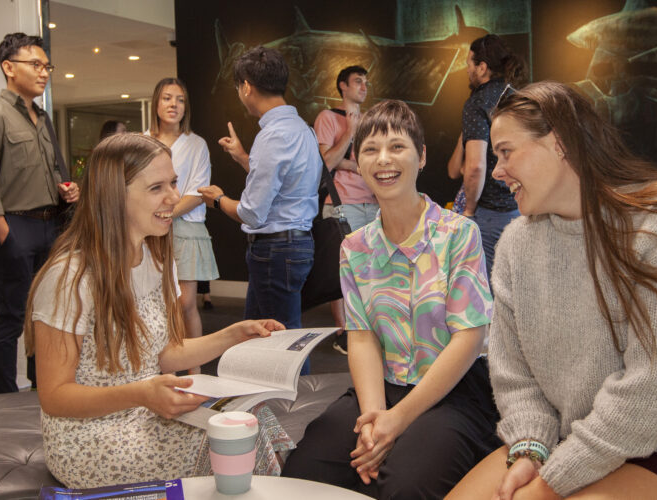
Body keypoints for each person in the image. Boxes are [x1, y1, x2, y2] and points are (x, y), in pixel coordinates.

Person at [447, 81, 657, 500]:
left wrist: (551, 483)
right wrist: (531, 449)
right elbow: (515, 376)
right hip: (572, 436)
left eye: (506, 152)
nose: (497, 169)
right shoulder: (515, 245)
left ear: (559, 143)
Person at [27, 133, 294, 489]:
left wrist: (235, 334)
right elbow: (55, 395)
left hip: (145, 411)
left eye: (173, 182)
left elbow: (163, 354)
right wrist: (141, 393)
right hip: (91, 436)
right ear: (113, 197)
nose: (174, 197)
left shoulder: (151, 256)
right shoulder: (70, 278)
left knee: (254, 419)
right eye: (156, 188)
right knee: (231, 441)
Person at [281, 100, 500, 499]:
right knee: (304, 471)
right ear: (359, 162)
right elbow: (361, 336)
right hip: (385, 383)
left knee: (402, 486)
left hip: (452, 390)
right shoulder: (355, 246)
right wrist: (373, 420)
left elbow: (469, 339)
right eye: (370, 149)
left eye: (397, 146)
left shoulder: (458, 233)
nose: (383, 159)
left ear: (421, 156)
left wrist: (396, 421)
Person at [198, 47, 321, 374]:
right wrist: (242, 156)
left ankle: (299, 409)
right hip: (294, 244)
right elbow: (284, 185)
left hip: (275, 250)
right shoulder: (301, 129)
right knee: (259, 332)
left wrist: (217, 199)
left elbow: (252, 212)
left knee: (285, 339)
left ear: (247, 87)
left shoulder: (273, 135)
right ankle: (259, 401)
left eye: (239, 87)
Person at [0, 32, 80, 394]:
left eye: (46, 65)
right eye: (34, 64)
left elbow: (53, 172)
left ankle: (43, 388)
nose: (44, 72)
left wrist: (69, 190)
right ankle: (1, 397)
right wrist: (7, 237)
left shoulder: (43, 118)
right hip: (14, 227)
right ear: (8, 67)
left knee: (44, 317)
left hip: (50, 227)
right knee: (11, 318)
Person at [148, 78, 219, 364]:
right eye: (167, 98)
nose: (173, 105)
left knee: (185, 303)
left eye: (179, 100)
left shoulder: (197, 144)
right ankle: (162, 369)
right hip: (149, 231)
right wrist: (152, 220)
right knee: (156, 304)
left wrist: (163, 214)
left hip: (185, 228)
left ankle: (194, 371)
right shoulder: (142, 141)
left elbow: (198, 192)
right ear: (156, 102)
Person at [447, 33, 526, 275]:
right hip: (522, 206)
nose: (466, 69)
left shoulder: (478, 102)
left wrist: (469, 211)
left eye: (469, 63)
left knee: (488, 289)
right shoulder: (517, 96)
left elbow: (475, 167)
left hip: (491, 214)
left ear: (482, 68)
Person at [313, 65, 378, 355]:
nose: (363, 87)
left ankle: (368, 328)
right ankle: (343, 332)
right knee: (342, 269)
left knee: (371, 270)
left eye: (366, 82)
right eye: (357, 82)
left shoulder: (369, 120)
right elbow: (326, 162)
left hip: (373, 202)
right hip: (342, 202)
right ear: (342, 86)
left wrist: (355, 164)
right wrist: (349, 133)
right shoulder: (328, 117)